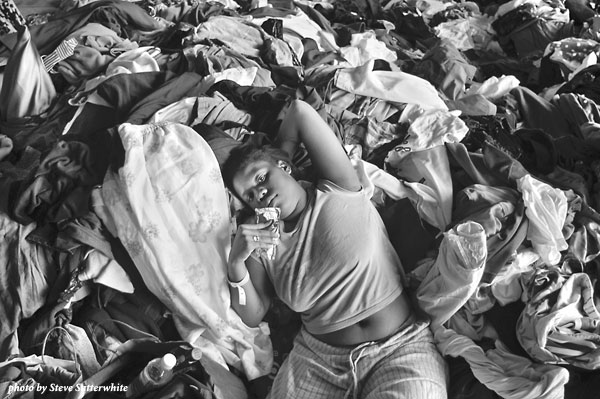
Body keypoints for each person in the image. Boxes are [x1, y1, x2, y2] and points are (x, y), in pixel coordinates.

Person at [222, 99, 448, 398]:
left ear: (284, 166)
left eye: (261, 178)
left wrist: (280, 156)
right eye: (251, 195)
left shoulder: (336, 188)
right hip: (316, 362)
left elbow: (299, 111)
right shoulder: (261, 239)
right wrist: (237, 264)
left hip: (399, 348)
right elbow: (252, 315)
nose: (260, 192)